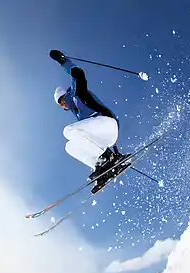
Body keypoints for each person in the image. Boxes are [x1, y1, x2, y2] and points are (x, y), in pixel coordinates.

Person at [49, 49, 131, 193]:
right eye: (61, 106)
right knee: (69, 146)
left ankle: (107, 157)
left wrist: (63, 61)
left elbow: (78, 73)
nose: (63, 107)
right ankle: (101, 166)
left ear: (63, 97)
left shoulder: (76, 93)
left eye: (61, 103)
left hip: (108, 124)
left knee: (68, 131)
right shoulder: (79, 115)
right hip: (103, 137)